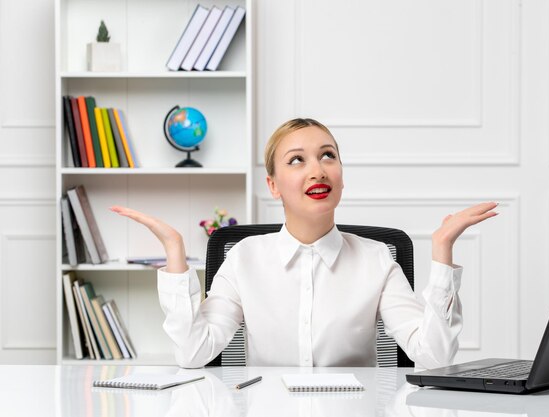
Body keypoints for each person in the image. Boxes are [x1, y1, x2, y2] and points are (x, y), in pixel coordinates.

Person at [111, 118, 498, 368]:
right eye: (297, 160)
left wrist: (443, 252)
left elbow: (433, 356)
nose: (317, 169)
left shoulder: (377, 258)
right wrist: (176, 255)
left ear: (341, 177)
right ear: (274, 185)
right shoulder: (244, 257)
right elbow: (194, 353)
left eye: (328, 156)